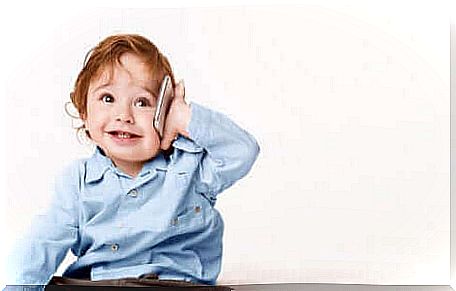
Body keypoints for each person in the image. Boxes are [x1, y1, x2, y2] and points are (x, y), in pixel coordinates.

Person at [5, 34, 260, 290]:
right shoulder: (78, 181)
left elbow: (243, 151)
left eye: (142, 102)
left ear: (164, 112)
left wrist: (186, 118)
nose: (124, 116)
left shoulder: (191, 168)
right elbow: (42, 243)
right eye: (107, 98)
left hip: (178, 284)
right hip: (100, 284)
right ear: (84, 111)